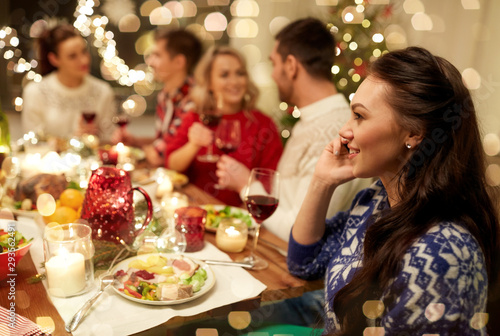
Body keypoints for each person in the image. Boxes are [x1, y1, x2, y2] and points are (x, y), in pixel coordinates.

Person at [288, 46, 500, 335]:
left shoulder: (441, 253)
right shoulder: (374, 200)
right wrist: (322, 182)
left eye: (359, 117)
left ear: (414, 133)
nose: (344, 131)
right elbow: (305, 263)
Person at [215, 18, 371, 242]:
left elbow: (298, 231)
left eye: (274, 64)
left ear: (291, 65)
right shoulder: (310, 119)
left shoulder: (335, 133)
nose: (272, 74)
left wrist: (245, 186)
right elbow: (287, 200)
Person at [165, 46, 283, 206]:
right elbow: (171, 166)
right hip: (196, 208)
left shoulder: (263, 124)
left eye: (240, 73)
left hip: (241, 215)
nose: (234, 81)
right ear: (210, 83)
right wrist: (193, 145)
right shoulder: (195, 116)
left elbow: (271, 181)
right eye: (224, 75)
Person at [116, 28, 202, 167]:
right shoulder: (165, 95)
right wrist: (135, 142)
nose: (150, 61)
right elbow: (163, 141)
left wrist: (144, 149)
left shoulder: (194, 100)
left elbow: (161, 157)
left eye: (157, 55)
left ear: (179, 62)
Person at [22, 24, 116, 142]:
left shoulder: (103, 91)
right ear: (54, 59)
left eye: (84, 51)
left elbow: (109, 142)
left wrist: (96, 137)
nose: (84, 60)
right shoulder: (34, 92)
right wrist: (72, 140)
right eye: (72, 56)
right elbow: (33, 143)